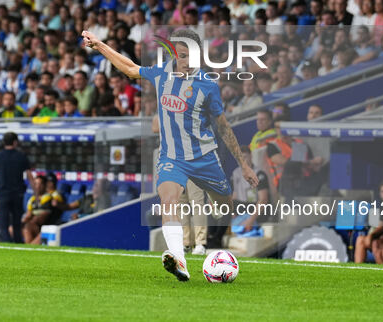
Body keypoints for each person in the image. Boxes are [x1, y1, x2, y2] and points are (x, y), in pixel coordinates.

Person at [82, 29, 258, 281]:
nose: (182, 60)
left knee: (224, 206)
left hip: (205, 158)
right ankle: (179, 259)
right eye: (178, 54)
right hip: (172, 157)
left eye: (187, 55)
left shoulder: (207, 85)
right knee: (168, 200)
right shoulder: (162, 73)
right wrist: (99, 45)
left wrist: (244, 165)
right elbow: (130, 68)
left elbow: (223, 127)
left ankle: (217, 229)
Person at [0, 132, 35, 243]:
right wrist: (36, 193)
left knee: (3, 223)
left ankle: (7, 243)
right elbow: (30, 176)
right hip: (17, 194)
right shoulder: (21, 156)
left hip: (3, 194)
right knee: (16, 222)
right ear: (15, 142)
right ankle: (17, 243)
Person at [353, 181, 383, 264]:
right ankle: (357, 269)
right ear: (380, 194)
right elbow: (374, 226)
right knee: (360, 239)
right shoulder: (376, 208)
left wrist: (371, 236)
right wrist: (371, 235)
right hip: (376, 237)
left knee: (374, 243)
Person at [22, 174, 65, 244]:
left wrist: (30, 221)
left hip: (47, 227)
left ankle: (28, 249)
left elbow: (41, 218)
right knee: (19, 228)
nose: (37, 186)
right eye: (35, 184)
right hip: (34, 225)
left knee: (29, 227)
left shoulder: (49, 197)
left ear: (45, 186)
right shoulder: (32, 200)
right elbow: (28, 215)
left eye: (40, 184)